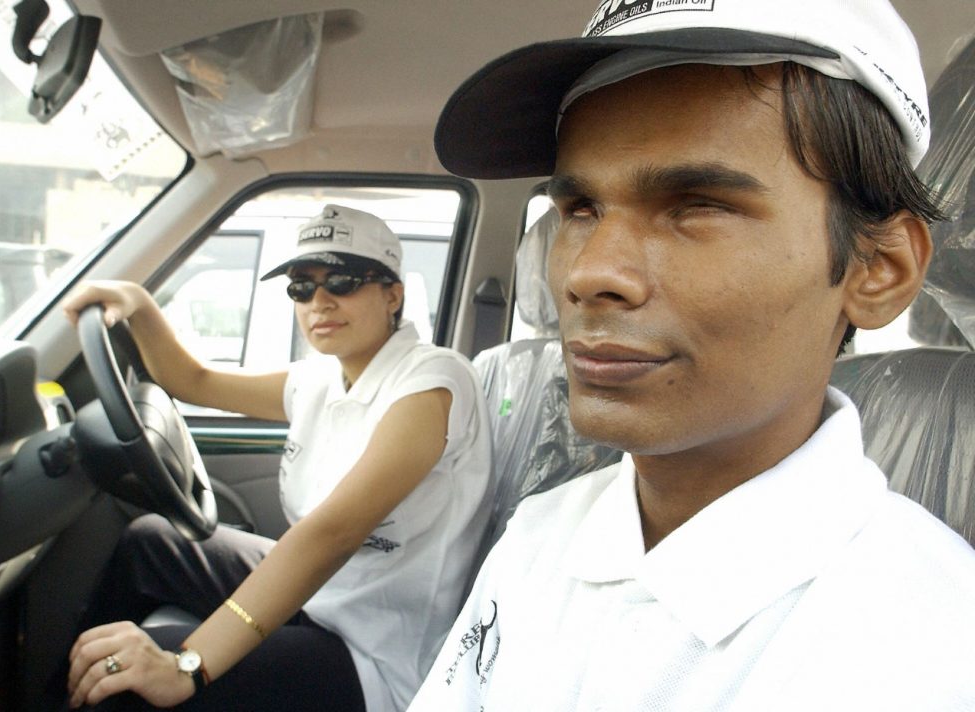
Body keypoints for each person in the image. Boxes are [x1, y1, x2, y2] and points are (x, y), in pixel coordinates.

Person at [408, 0, 975, 710]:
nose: (588, 273)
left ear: (879, 268)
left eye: (698, 204)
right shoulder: (543, 533)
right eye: (580, 209)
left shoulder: (935, 655)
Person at [61, 204, 493, 712]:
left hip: (375, 647)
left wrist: (187, 664)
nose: (320, 301)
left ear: (392, 294)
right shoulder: (321, 378)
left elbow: (331, 534)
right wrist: (137, 302)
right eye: (301, 287)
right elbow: (194, 382)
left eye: (343, 281)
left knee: (129, 683)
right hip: (325, 595)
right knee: (149, 541)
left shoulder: (432, 382)